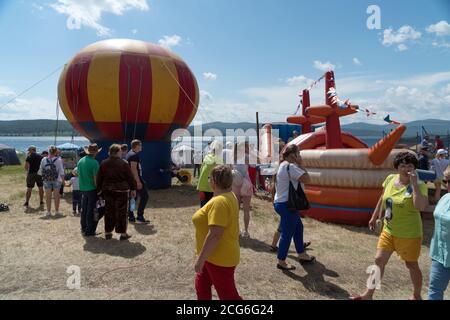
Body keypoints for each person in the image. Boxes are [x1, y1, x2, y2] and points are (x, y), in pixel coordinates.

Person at [351, 152, 429, 300]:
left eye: (410, 165)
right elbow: (383, 198)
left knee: (411, 265)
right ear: (397, 167)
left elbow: (421, 207)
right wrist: (374, 217)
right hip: (388, 230)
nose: (406, 168)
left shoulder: (419, 185)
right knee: (379, 260)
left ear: (414, 168)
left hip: (409, 233)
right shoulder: (390, 179)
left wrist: (414, 186)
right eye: (402, 165)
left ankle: (416, 295)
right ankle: (368, 294)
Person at [192, 165, 242, 300]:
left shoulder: (219, 202)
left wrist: (200, 260)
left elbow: (215, 235)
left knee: (229, 297)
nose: (208, 181)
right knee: (201, 288)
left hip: (219, 258)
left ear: (214, 181)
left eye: (209, 178)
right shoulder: (229, 195)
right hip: (212, 256)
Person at [273, 144, 315, 271]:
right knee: (288, 232)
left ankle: (301, 254)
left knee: (298, 227)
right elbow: (307, 179)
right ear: (293, 155)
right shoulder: (291, 166)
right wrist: (301, 164)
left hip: (282, 203)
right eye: (298, 153)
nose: (300, 155)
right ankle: (281, 261)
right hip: (288, 205)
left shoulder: (282, 165)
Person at [97, 144, 137, 241]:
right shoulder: (123, 163)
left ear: (110, 152)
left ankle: (108, 232)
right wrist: (133, 189)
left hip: (108, 190)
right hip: (121, 190)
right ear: (118, 152)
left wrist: (99, 190)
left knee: (109, 211)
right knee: (122, 212)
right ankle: (123, 234)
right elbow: (130, 177)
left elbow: (99, 178)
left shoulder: (104, 163)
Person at [428, 166, 450, 300]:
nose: (447, 185)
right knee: (434, 290)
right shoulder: (445, 198)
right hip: (439, 254)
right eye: (446, 181)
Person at [77, 144, 101, 237]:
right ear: (96, 152)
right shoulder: (94, 163)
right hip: (91, 189)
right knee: (90, 210)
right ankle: (89, 231)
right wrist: (99, 190)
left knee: (84, 209)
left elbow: (78, 174)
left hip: (83, 188)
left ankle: (83, 228)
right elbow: (96, 179)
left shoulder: (80, 161)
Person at [232, 142, 254, 239]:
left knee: (235, 210)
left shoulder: (232, 157)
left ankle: (236, 231)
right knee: (246, 210)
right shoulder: (246, 156)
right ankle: (246, 231)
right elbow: (253, 165)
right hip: (246, 183)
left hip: (235, 183)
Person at [126, 139, 150, 224]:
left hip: (132, 180)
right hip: (135, 180)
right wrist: (138, 181)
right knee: (145, 196)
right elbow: (133, 169)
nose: (141, 147)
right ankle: (139, 216)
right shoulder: (133, 155)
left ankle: (131, 215)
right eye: (140, 145)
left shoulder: (130, 153)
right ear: (136, 146)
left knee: (133, 198)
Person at [39, 146, 65, 217]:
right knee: (56, 196)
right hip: (57, 180)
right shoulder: (59, 160)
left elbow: (41, 170)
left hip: (46, 179)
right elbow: (61, 171)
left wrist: (43, 177)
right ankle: (56, 211)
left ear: (49, 151)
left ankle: (48, 212)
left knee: (48, 196)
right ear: (56, 152)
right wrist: (63, 181)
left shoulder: (44, 159)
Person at [197, 141, 223, 207]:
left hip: (202, 186)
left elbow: (201, 170)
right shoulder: (219, 159)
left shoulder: (206, 157)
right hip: (213, 187)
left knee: (203, 208)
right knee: (212, 208)